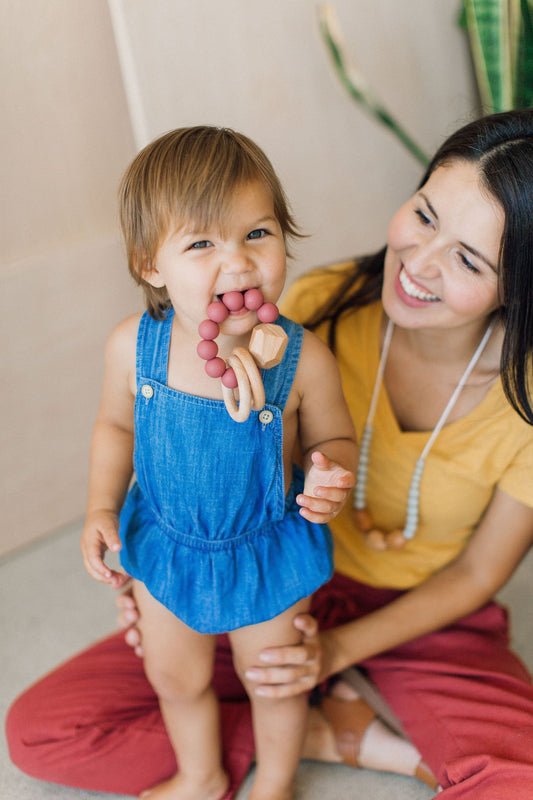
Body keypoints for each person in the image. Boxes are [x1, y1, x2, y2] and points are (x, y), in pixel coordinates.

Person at [6, 109, 533, 799]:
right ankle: (312, 736)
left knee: (514, 781)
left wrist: (334, 646)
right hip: (227, 571)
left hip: (387, 602)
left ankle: (308, 730)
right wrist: (139, 552)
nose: (420, 264)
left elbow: (471, 574)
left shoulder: (504, 400)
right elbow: (139, 434)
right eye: (425, 215)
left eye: (467, 259)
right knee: (52, 727)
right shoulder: (318, 305)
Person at [78, 125, 357, 800]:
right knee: (173, 676)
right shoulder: (134, 347)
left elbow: (337, 440)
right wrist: (101, 506)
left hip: (263, 545)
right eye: (202, 243)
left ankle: (276, 784)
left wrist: (328, 474)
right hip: (168, 539)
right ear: (151, 265)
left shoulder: (302, 357)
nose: (236, 263)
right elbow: (116, 426)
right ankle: (201, 775)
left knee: (274, 679)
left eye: (256, 234)